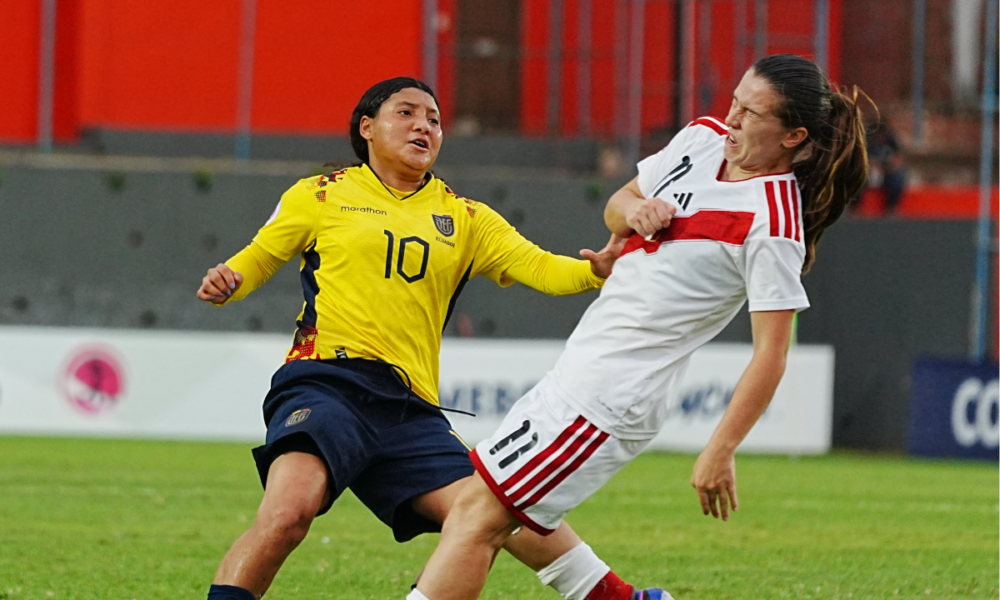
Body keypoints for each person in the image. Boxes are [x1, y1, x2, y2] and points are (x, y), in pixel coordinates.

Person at [408, 54, 871, 600]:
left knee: (476, 520)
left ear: (794, 135)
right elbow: (617, 204)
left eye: (751, 114)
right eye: (734, 102)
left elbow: (772, 353)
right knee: (487, 509)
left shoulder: (774, 222)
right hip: (580, 370)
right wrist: (635, 211)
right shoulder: (702, 139)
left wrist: (721, 449)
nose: (733, 119)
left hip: (612, 397)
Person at [195, 76, 660, 600]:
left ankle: (620, 597)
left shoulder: (465, 217)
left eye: (434, 119)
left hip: (408, 408)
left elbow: (541, 268)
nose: (424, 126)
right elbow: (258, 257)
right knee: (287, 515)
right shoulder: (321, 194)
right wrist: (229, 280)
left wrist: (594, 271)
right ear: (366, 128)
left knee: (491, 511)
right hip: (326, 384)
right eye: (407, 113)